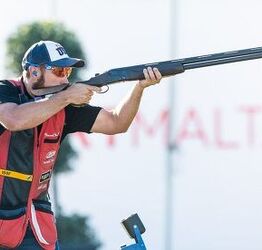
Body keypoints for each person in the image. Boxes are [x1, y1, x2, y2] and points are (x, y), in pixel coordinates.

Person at [0, 40, 162, 250]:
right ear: (33, 72)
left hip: (36, 224)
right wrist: (67, 96)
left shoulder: (64, 105)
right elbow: (13, 120)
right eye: (59, 70)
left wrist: (139, 87)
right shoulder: (5, 91)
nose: (66, 77)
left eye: (67, 70)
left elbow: (117, 122)